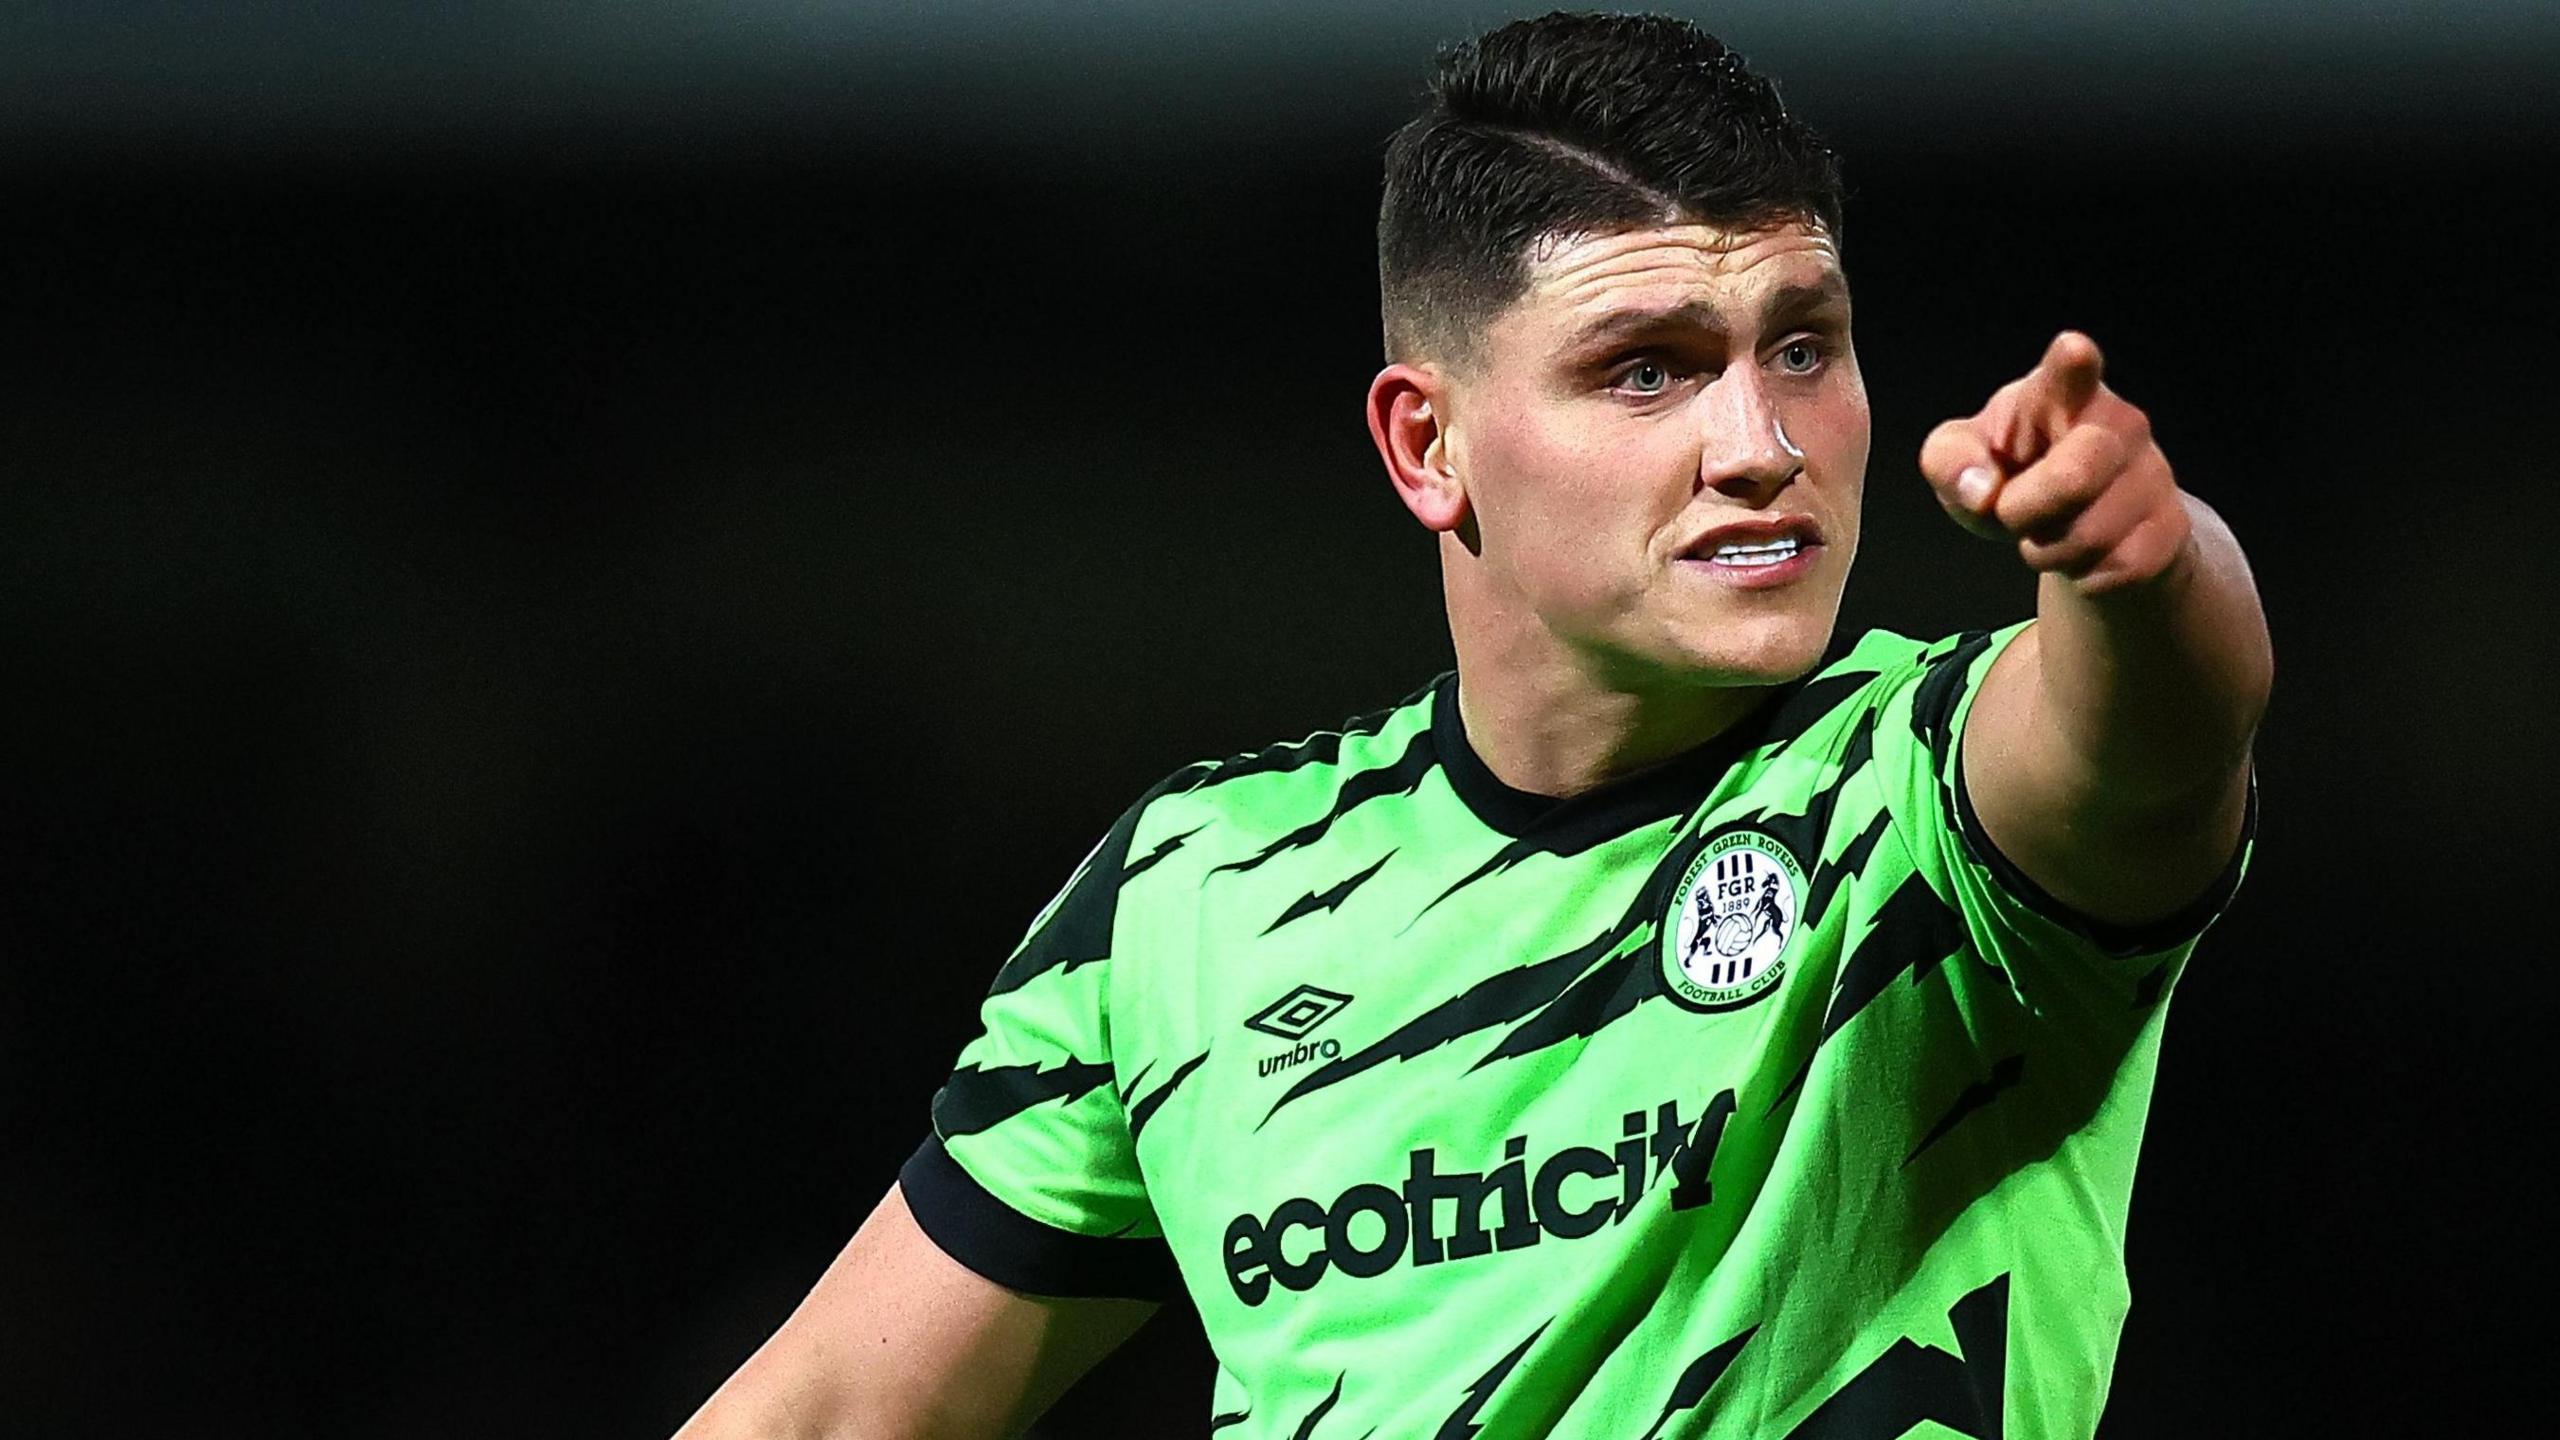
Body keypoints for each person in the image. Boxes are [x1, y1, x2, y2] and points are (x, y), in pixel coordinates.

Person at [671, 11, 2268, 1438]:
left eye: (1804, 344)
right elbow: (830, 1410)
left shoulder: (1923, 797)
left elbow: (2152, 738)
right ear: (1425, 443)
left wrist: (2141, 563)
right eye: (1648, 372)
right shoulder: (1197, 895)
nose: (1763, 443)